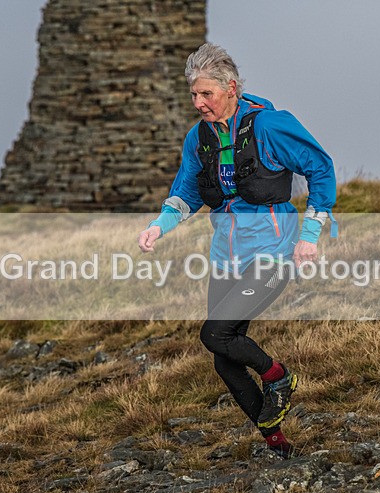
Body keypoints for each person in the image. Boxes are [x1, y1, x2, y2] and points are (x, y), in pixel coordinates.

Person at [138, 43, 336, 459]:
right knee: (224, 357)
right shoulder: (199, 138)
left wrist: (311, 233)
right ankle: (277, 444)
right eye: (193, 94)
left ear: (230, 88)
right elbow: (186, 193)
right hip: (226, 257)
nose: (198, 103)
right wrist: (159, 226)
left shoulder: (269, 127)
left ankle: (279, 376)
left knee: (215, 333)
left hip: (273, 252)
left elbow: (320, 166)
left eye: (206, 94)